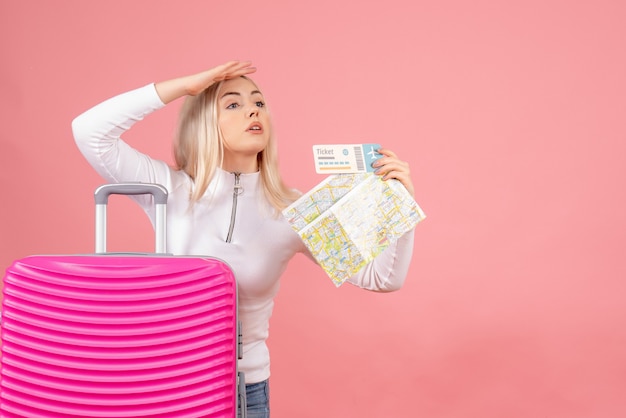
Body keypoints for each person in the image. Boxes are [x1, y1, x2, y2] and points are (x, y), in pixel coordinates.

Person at [72, 60, 416, 418]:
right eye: (233, 104)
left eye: (259, 103)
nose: (253, 109)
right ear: (204, 121)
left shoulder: (294, 210)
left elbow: (383, 278)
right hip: (167, 382)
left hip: (245, 393)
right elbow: (89, 132)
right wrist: (185, 86)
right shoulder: (168, 189)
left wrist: (401, 207)